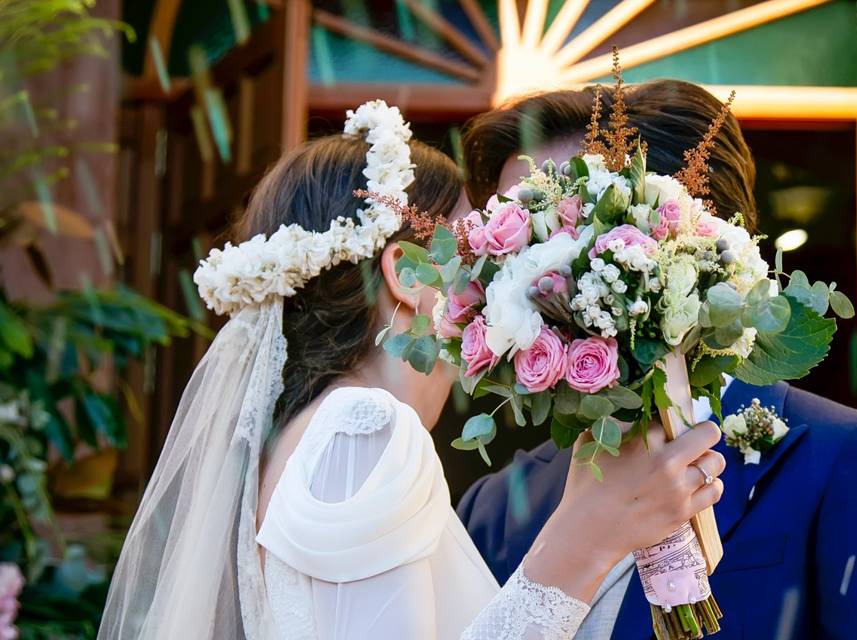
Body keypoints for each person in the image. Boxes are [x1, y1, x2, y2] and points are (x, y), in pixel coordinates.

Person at [97, 100, 727, 640]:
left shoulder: (308, 432)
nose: (493, 276)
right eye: (472, 249)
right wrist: (585, 539)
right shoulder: (363, 426)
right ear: (405, 273)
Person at [457, 81, 857, 639]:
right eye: (508, 252)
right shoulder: (496, 507)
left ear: (687, 243)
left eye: (558, 232)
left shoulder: (850, 461)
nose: (530, 278)